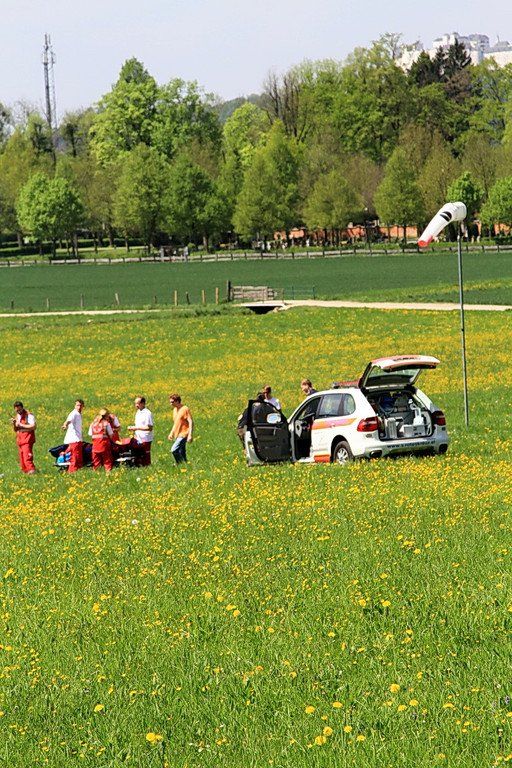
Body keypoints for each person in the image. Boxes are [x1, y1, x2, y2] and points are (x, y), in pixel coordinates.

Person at [12, 401, 36, 474]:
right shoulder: (17, 416)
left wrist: (21, 425)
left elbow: (33, 426)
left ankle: (32, 471)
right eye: (17, 410)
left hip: (27, 438)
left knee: (27, 457)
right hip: (20, 439)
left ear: (22, 407)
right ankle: (26, 472)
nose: (18, 411)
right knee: (22, 458)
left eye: (20, 409)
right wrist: (14, 424)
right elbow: (16, 429)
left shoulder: (29, 415)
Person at [128, 396, 153, 466]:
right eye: (135, 403)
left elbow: (149, 428)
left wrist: (136, 428)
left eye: (138, 403)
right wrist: (134, 431)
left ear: (143, 403)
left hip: (146, 438)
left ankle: (147, 467)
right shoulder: (138, 412)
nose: (136, 405)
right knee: (138, 454)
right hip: (138, 437)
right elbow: (138, 425)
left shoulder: (147, 413)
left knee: (145, 455)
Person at [168, 393, 193, 464]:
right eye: (170, 402)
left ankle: (179, 463)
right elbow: (176, 423)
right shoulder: (175, 410)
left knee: (174, 450)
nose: (171, 404)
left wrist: (190, 435)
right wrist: (171, 433)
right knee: (182, 452)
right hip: (177, 434)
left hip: (184, 434)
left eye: (172, 402)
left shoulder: (185, 409)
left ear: (177, 401)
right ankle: (185, 465)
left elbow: (190, 421)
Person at [62, 399, 84, 473]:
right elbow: (68, 420)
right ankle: (72, 472)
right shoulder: (74, 413)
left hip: (78, 439)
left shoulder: (79, 414)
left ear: (83, 406)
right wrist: (65, 425)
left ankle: (78, 472)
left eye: (80, 405)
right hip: (74, 439)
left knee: (78, 457)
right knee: (75, 457)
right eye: (77, 405)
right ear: (75, 406)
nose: (79, 407)